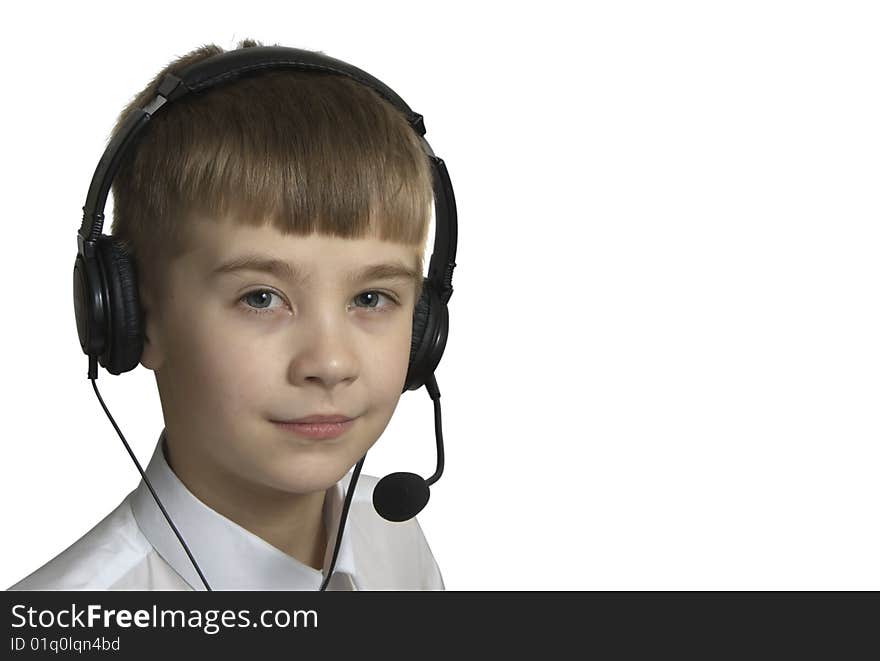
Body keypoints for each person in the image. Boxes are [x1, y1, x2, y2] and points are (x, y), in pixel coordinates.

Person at [8, 38, 445, 591]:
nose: (331, 363)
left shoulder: (394, 537)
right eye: (260, 298)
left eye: (371, 298)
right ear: (133, 316)